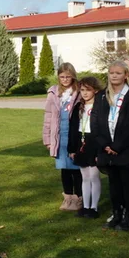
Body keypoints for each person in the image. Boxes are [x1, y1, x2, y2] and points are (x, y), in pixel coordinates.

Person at [90, 60, 129, 230]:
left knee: (127, 184)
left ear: (125, 75)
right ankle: (116, 214)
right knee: (113, 184)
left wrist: (117, 145)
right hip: (106, 148)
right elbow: (95, 121)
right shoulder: (101, 95)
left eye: (118, 73)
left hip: (126, 149)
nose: (114, 76)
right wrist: (105, 144)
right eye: (111, 73)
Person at [43, 63, 81, 211]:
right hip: (59, 136)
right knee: (64, 169)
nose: (65, 79)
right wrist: (47, 139)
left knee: (76, 168)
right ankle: (68, 198)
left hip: (74, 135)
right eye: (62, 77)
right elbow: (48, 116)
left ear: (73, 76)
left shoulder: (78, 91)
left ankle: (79, 198)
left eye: (68, 76)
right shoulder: (53, 92)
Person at [67, 75, 103, 219]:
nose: (85, 93)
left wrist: (100, 149)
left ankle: (94, 207)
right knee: (85, 177)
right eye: (82, 90)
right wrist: (71, 148)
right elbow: (72, 128)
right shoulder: (78, 107)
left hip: (95, 143)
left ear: (95, 90)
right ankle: (85, 206)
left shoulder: (100, 107)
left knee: (94, 176)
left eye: (88, 90)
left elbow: (102, 128)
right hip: (81, 143)